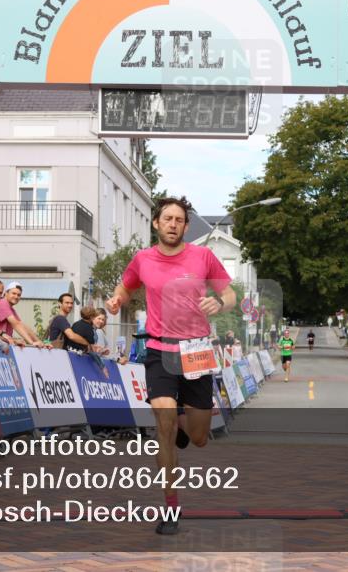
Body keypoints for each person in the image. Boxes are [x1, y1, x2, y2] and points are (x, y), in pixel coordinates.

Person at [105, 196, 235, 535]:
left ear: (186, 226)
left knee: (200, 436)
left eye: (179, 219)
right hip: (160, 351)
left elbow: (231, 295)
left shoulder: (203, 256)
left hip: (196, 353)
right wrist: (118, 299)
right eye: (168, 218)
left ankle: (182, 428)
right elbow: (125, 284)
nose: (173, 224)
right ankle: (171, 508)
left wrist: (218, 303)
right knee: (162, 422)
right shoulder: (143, 259)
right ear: (156, 224)